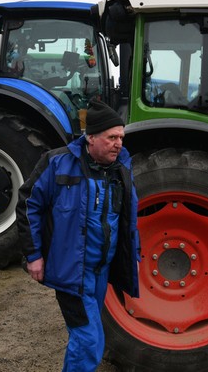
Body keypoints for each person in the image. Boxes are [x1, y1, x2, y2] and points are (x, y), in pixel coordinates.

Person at [16, 100, 140, 372]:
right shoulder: (58, 162)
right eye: (111, 138)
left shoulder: (121, 169)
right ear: (91, 137)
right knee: (89, 340)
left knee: (84, 335)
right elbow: (28, 205)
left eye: (121, 137)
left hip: (100, 270)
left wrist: (135, 252)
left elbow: (127, 218)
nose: (118, 144)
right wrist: (33, 255)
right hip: (72, 271)